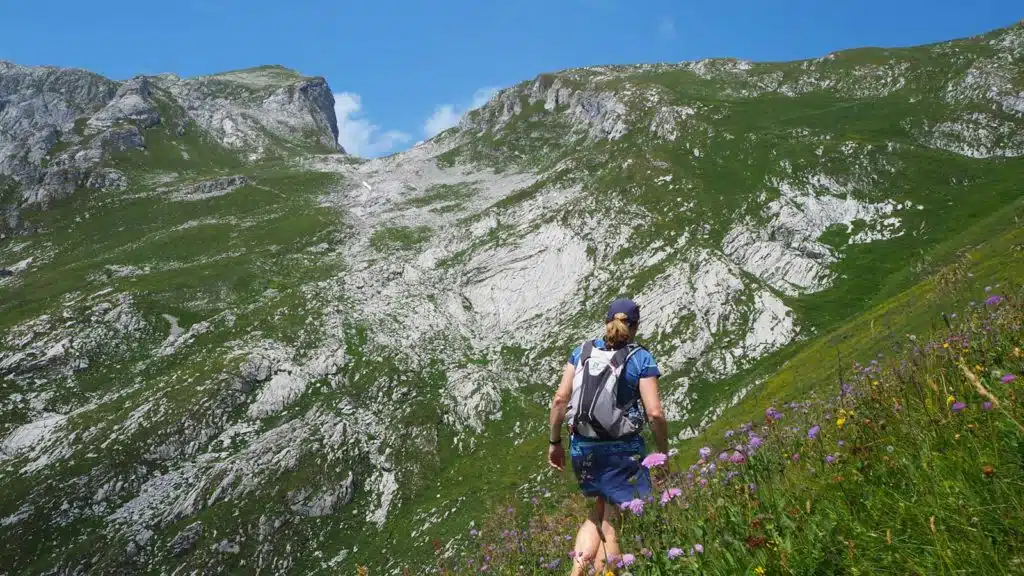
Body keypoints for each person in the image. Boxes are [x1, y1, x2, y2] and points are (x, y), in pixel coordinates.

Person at [547, 297, 669, 575]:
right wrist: (662, 455)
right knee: (614, 523)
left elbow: (559, 400)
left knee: (595, 512)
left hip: (582, 449)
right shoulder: (640, 358)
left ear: (606, 322)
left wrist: (555, 443)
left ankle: (575, 573)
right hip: (621, 452)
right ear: (636, 326)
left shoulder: (581, 352)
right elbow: (655, 414)